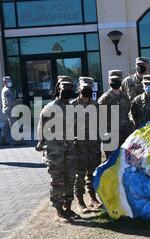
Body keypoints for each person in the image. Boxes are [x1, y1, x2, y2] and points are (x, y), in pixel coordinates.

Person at [35, 81, 79, 222]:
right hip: (55, 151)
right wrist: (41, 144)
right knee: (57, 180)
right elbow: (42, 129)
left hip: (70, 149)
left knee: (70, 178)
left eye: (70, 89)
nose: (67, 91)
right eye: (64, 89)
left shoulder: (71, 107)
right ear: (58, 90)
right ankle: (58, 210)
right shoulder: (50, 108)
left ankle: (68, 207)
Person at [70, 77, 103, 212]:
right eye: (84, 89)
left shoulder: (96, 105)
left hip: (94, 146)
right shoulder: (72, 105)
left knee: (92, 173)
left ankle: (92, 198)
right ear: (79, 89)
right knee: (80, 174)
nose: (86, 91)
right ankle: (80, 200)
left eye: (89, 89)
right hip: (79, 147)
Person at [98, 70, 134, 158]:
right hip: (111, 136)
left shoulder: (125, 96)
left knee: (125, 160)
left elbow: (128, 112)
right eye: (113, 80)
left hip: (125, 135)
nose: (115, 82)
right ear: (109, 81)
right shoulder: (104, 99)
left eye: (117, 80)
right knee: (111, 162)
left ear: (121, 81)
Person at [0, 76, 23, 146]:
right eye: (8, 81)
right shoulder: (7, 91)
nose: (10, 82)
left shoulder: (6, 89)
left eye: (10, 81)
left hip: (8, 110)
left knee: (6, 125)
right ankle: (17, 141)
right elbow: (9, 102)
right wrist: (18, 101)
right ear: (4, 82)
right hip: (10, 110)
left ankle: (3, 139)